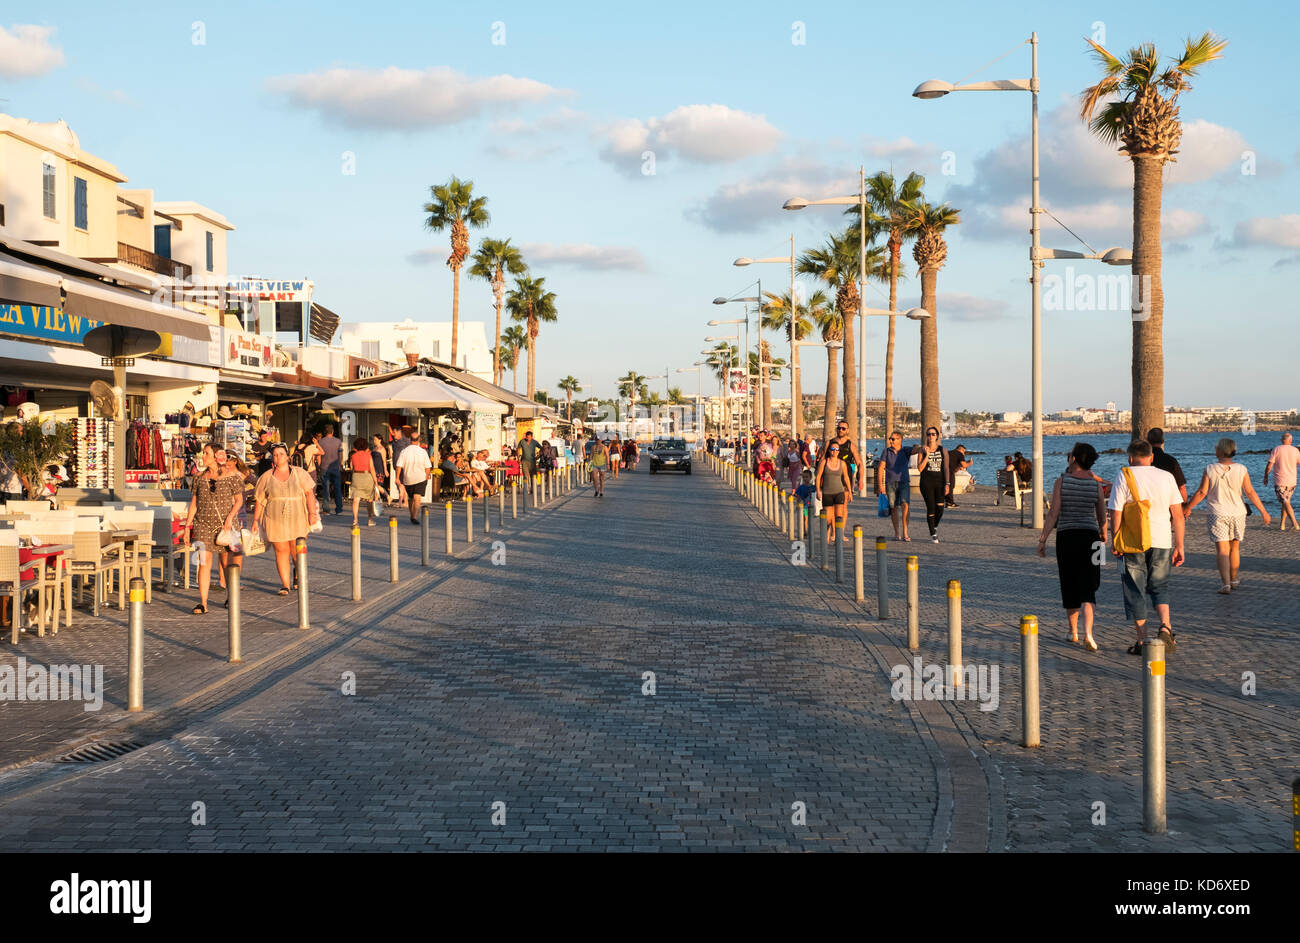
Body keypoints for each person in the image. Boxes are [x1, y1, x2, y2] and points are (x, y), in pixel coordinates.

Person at [1108, 439, 1185, 656]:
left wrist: (1115, 539)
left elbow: (1116, 511)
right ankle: (1165, 627)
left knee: (1135, 588)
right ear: (1151, 457)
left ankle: (1143, 641)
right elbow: (1178, 515)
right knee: (1160, 587)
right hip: (1162, 540)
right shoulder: (1167, 477)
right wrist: (1179, 545)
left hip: (1133, 542)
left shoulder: (1125, 475)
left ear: (1130, 457)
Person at [1038, 443, 1108, 651]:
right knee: (1090, 586)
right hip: (1092, 538)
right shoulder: (1096, 485)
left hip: (1067, 537)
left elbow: (1053, 513)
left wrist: (1042, 540)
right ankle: (1089, 633)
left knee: (1069, 583)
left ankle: (1073, 632)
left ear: (1074, 459)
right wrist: (1103, 534)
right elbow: (1102, 516)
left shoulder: (1062, 481)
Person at [1183, 437, 1270, 594]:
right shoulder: (1241, 469)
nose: (1215, 449)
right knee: (1235, 547)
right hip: (1238, 513)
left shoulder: (1210, 469)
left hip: (1218, 512)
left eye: (1216, 447)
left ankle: (1226, 584)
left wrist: (1188, 507)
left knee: (1222, 550)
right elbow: (1249, 491)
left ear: (1221, 451)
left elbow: (1202, 492)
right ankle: (1234, 579)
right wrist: (1263, 511)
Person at [184, 446, 244, 614]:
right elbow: (194, 504)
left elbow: (239, 501)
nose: (203, 456)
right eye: (203, 453)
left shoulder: (231, 477)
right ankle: (203, 603)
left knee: (226, 563)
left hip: (224, 525)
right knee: (204, 562)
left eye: (206, 453)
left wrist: (230, 518)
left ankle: (231, 596)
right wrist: (187, 526)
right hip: (203, 524)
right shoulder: (199, 478)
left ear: (217, 457)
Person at [253, 443, 320, 595]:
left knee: (295, 549)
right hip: (274, 518)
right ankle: (285, 585)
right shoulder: (266, 477)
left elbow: (309, 494)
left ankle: (298, 574)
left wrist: (312, 514)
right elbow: (260, 500)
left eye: (281, 454)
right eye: (275, 454)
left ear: (288, 457)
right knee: (281, 550)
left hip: (297, 516)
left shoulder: (299, 473)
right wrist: (255, 520)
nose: (278, 457)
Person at [913, 426, 950, 542]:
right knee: (931, 508)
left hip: (940, 483)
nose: (931, 436)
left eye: (933, 434)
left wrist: (947, 484)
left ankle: (934, 525)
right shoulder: (922, 450)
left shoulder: (943, 450)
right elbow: (920, 468)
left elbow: (946, 468)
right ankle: (933, 533)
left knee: (940, 508)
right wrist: (927, 455)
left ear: (937, 436)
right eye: (928, 434)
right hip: (926, 483)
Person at [876, 431, 912, 542]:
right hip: (890, 483)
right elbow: (881, 468)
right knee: (894, 507)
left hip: (904, 482)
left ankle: (905, 532)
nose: (891, 441)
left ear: (900, 439)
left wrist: (922, 448)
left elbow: (917, 450)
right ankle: (897, 533)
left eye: (893, 439)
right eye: (890, 439)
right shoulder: (886, 452)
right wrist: (880, 486)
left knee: (905, 505)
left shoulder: (905, 450)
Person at [816, 440, 853, 544]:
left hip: (839, 493)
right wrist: (818, 490)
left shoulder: (842, 463)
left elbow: (846, 478)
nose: (835, 451)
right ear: (829, 450)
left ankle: (837, 537)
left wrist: (850, 492)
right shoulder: (824, 462)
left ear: (839, 451)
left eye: (837, 449)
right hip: (827, 493)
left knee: (838, 517)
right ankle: (826, 538)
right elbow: (818, 477)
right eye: (832, 449)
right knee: (827, 519)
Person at [1263, 432, 1300, 531]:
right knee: (1285, 502)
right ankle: (1282, 525)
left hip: (1280, 481)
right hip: (1292, 481)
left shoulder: (1276, 449)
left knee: (1285, 502)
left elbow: (1269, 465)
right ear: (1290, 441)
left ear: (1281, 440)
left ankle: (1295, 523)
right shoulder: (1296, 450)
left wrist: (1266, 476)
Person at [396, 432, 432, 524]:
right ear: (419, 439)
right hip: (420, 478)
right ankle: (414, 516)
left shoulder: (404, 451)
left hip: (408, 478)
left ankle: (413, 516)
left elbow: (399, 466)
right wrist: (427, 475)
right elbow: (428, 467)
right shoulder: (423, 451)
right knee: (417, 498)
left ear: (410, 439)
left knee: (411, 498)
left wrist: (397, 478)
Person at [1146, 427, 1188, 504]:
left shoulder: (1143, 461)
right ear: (1163, 441)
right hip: (1167, 503)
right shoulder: (1171, 461)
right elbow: (1181, 487)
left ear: (1147, 440)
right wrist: (1184, 506)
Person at [824, 420, 864, 499]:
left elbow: (859, 463)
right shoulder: (829, 443)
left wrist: (861, 479)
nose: (841, 430)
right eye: (839, 428)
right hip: (830, 478)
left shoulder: (851, 446)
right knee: (830, 507)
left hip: (845, 478)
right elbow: (823, 460)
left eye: (843, 428)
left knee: (843, 506)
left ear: (847, 430)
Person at [348, 436, 380, 526]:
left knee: (356, 500)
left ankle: (355, 520)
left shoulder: (353, 456)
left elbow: (351, 468)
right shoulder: (368, 456)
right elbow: (372, 469)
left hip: (356, 477)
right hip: (367, 477)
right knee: (369, 500)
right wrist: (376, 482)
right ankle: (370, 519)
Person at [318, 424, 345, 515]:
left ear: (325, 432)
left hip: (324, 467)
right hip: (335, 468)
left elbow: (319, 456)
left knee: (326, 489)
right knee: (337, 488)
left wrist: (319, 466)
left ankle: (326, 509)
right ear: (332, 431)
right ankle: (339, 509)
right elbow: (341, 455)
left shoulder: (320, 442)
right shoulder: (338, 441)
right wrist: (340, 464)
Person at [370, 434, 390, 501]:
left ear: (380, 440)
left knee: (377, 485)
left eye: (375, 439)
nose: (374, 441)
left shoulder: (382, 449)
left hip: (379, 469)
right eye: (374, 440)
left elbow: (384, 461)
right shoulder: (374, 448)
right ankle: (377, 499)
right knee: (374, 485)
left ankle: (386, 497)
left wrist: (385, 470)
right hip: (373, 469)